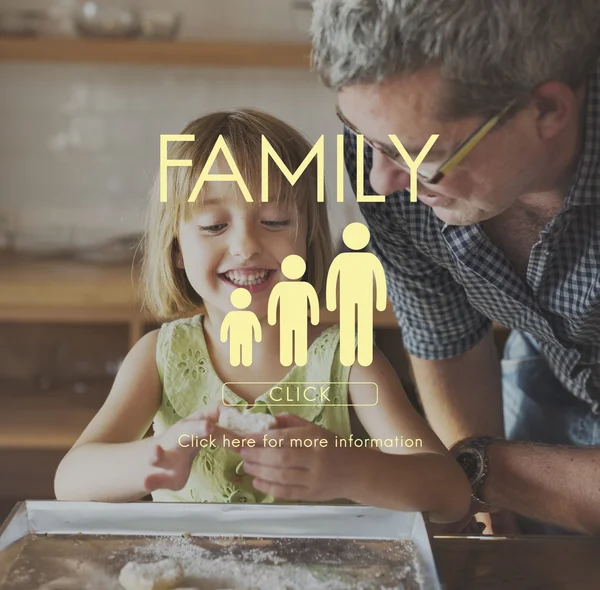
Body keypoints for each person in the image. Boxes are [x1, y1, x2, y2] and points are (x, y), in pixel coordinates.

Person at [53, 108, 470, 524]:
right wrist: (154, 457)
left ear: (308, 237)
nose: (246, 245)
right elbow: (70, 480)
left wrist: (352, 471)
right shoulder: (158, 357)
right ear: (176, 248)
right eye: (215, 225)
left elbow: (449, 492)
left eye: (274, 220)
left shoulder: (348, 361)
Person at [311, 0, 600, 534]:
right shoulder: (385, 156)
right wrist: (485, 508)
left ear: (547, 113)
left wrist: (481, 468)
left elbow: (476, 468)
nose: (380, 180)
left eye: (422, 156)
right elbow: (444, 338)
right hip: (550, 367)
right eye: (363, 137)